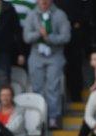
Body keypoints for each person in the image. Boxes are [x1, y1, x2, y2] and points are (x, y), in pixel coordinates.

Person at [23, 0, 70, 129]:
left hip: (55, 55)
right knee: (37, 87)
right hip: (36, 55)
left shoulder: (60, 15)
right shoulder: (32, 14)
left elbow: (66, 37)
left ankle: (53, 118)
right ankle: (39, 118)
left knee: (53, 87)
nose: (43, 1)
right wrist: (39, 33)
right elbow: (26, 37)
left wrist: (49, 37)